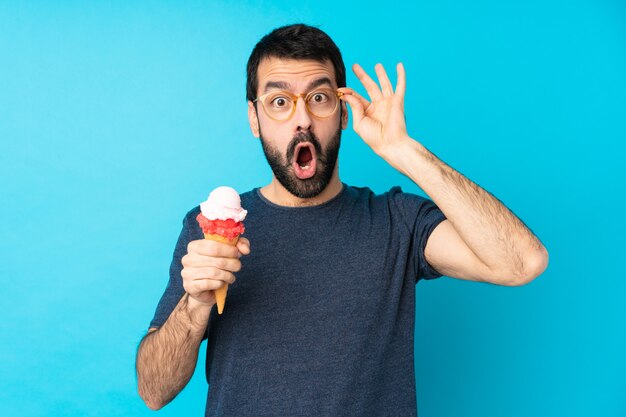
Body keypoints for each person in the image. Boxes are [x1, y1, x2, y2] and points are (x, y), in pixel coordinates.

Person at [135, 23, 548, 416]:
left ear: (344, 113)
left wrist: (404, 152)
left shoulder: (397, 222)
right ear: (253, 119)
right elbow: (153, 392)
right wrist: (195, 304)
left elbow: (522, 262)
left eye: (319, 98)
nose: (302, 120)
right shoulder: (206, 229)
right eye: (279, 102)